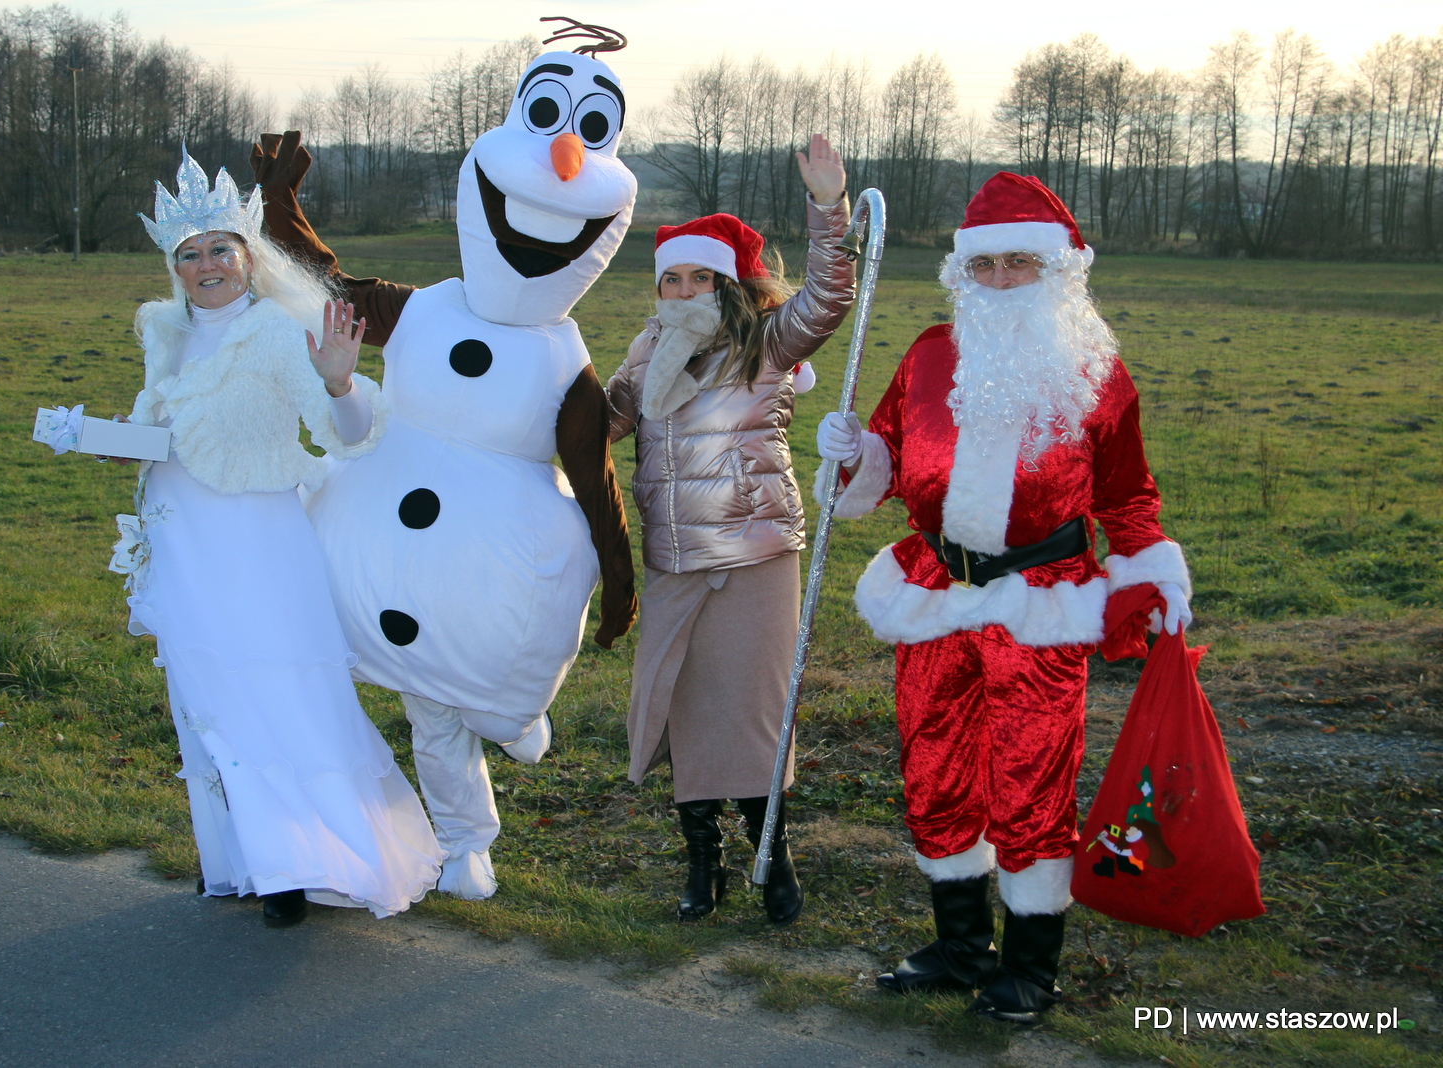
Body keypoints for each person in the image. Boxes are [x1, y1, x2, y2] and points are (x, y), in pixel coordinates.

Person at [248, 41, 636, 901]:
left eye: (588, 133)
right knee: (329, 681)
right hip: (373, 547)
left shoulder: (564, 367)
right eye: (544, 119)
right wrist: (280, 202)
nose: (565, 153)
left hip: (467, 589)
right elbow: (325, 280)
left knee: (438, 716)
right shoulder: (421, 310)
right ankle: (326, 830)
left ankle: (470, 825)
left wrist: (619, 582)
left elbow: (595, 480)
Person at [815, 172, 1192, 1020]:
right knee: (934, 772)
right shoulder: (928, 357)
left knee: (1030, 781)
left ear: (1058, 272)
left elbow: (1129, 496)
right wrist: (853, 452)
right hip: (937, 596)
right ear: (961, 275)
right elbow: (883, 454)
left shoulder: (1095, 375)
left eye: (1020, 264)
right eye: (983, 268)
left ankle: (1029, 966)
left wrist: (1149, 574)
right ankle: (958, 948)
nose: (999, 284)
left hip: (1039, 604)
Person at [112, 151, 444, 928]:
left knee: (279, 693)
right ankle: (238, 856)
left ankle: (299, 864)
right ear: (175, 268)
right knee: (208, 700)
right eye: (188, 256)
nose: (205, 266)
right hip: (184, 543)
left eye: (218, 249)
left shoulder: (273, 332)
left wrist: (336, 381)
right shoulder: (164, 334)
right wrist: (107, 440)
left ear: (248, 256)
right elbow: (149, 429)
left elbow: (348, 432)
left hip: (259, 544)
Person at [605, 134, 855, 925]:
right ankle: (701, 861)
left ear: (730, 281)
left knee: (752, 710)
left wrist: (827, 208)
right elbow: (602, 422)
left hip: (756, 556)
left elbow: (827, 298)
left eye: (699, 277)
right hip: (676, 560)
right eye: (671, 278)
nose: (683, 290)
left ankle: (770, 855)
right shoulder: (649, 350)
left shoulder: (766, 342)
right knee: (681, 702)